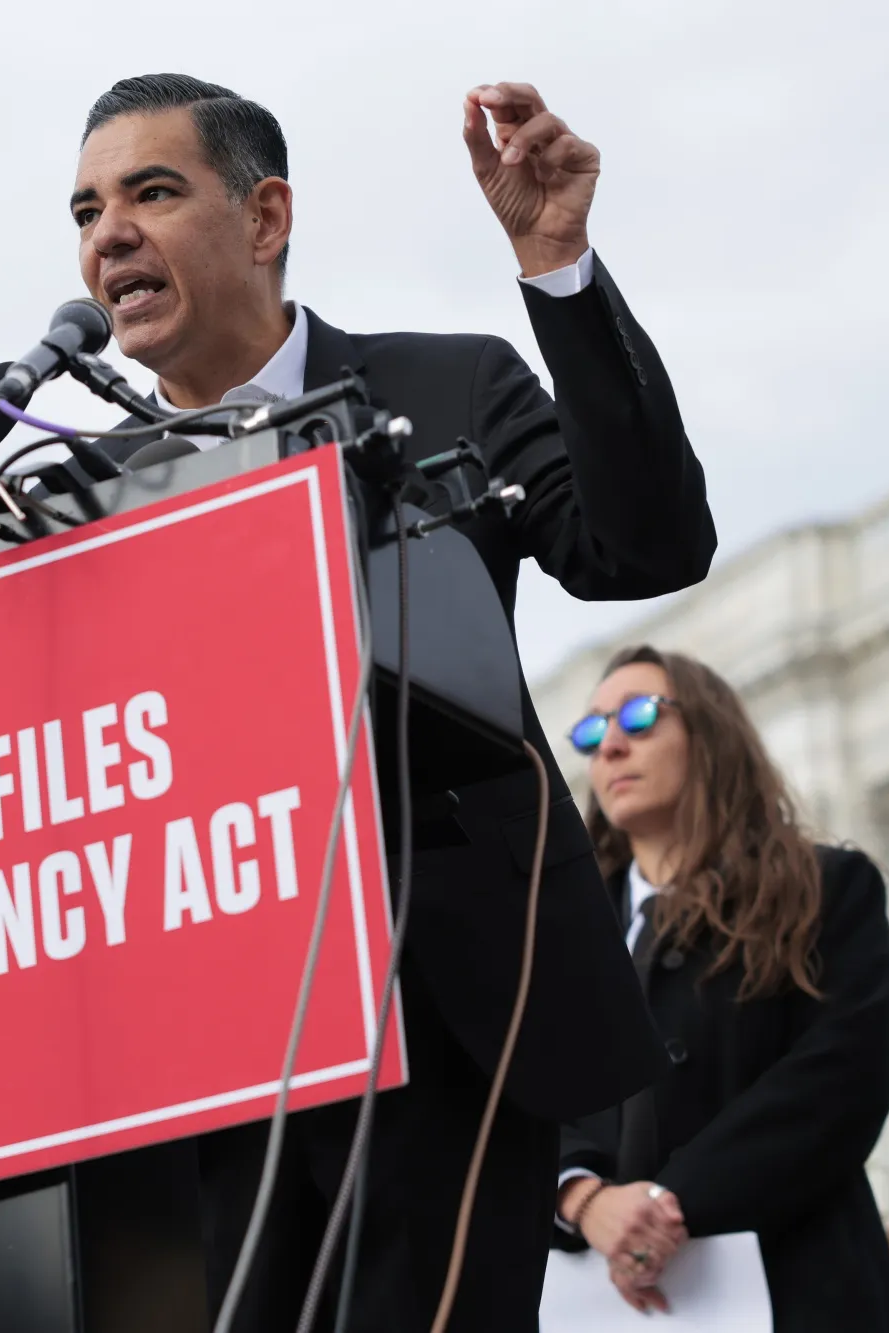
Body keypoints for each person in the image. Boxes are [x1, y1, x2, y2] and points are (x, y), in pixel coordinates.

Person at [63, 74, 715, 1329]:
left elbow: (643, 548)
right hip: (197, 1067)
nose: (108, 236)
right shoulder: (74, 503)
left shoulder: (447, 387)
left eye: (151, 192)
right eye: (86, 210)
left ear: (263, 219)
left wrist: (558, 266)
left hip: (447, 1023)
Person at [551, 646, 889, 1330]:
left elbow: (841, 1076)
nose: (613, 745)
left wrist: (665, 1203)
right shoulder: (560, 933)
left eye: (639, 716)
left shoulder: (825, 887)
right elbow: (517, 1100)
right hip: (592, 1302)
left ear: (709, 734)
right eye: (592, 733)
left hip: (796, 1286)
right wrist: (586, 1199)